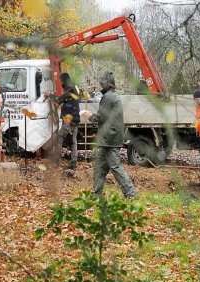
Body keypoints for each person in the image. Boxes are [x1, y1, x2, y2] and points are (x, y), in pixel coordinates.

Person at [81, 71, 137, 199]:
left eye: (102, 83)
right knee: (100, 167)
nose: (101, 85)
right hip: (109, 137)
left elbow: (100, 118)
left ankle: (131, 194)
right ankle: (96, 194)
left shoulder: (108, 97)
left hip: (110, 138)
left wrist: (88, 115)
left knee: (115, 167)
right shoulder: (112, 96)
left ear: (108, 84)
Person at [53, 73, 80, 169]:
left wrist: (49, 95)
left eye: (60, 81)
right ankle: (74, 161)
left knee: (59, 137)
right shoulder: (73, 87)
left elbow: (60, 99)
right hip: (75, 119)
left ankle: (55, 161)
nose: (60, 83)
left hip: (70, 120)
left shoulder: (70, 88)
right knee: (73, 141)